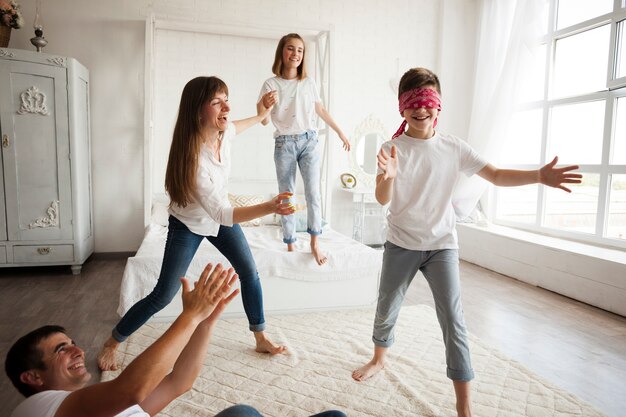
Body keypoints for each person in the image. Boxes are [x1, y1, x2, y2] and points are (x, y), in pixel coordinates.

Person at [351, 67, 582, 417]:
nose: (421, 109)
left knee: (454, 321)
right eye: (413, 102)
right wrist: (389, 176)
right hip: (401, 243)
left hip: (442, 245)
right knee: (386, 308)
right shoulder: (392, 148)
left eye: (428, 101)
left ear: (438, 106)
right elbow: (382, 197)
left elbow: (496, 175)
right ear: (402, 107)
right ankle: (379, 358)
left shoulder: (453, 147)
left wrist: (538, 176)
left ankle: (464, 403)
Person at [98, 76, 295, 372]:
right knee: (163, 295)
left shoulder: (224, 132)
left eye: (226, 98)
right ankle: (112, 343)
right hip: (188, 224)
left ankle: (260, 336)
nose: (226, 106)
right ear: (198, 111)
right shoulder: (193, 161)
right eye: (217, 102)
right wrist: (270, 206)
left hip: (217, 217)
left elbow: (241, 125)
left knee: (249, 273)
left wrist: (263, 114)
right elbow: (224, 214)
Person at [6, 263, 347, 417]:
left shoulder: (97, 405)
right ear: (33, 377)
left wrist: (206, 323)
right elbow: (130, 390)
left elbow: (178, 382)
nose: (78, 349)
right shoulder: (37, 408)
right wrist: (188, 316)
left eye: (72, 341)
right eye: (61, 349)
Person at [257, 33, 350, 266]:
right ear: (282, 52)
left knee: (313, 193)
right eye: (291, 49)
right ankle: (290, 242)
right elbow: (264, 120)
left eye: (300, 50)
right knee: (286, 195)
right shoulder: (271, 84)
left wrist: (339, 131)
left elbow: (320, 110)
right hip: (284, 144)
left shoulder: (309, 82)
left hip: (309, 141)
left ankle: (314, 243)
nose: (295, 54)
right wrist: (265, 106)